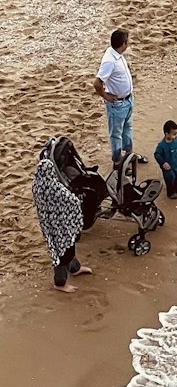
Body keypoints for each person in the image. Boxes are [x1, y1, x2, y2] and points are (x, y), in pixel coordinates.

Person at [32, 157, 91, 292]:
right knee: (63, 254)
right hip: (61, 225)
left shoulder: (36, 185)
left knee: (65, 248)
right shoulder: (55, 187)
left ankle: (75, 268)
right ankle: (60, 283)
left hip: (48, 224)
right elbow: (72, 201)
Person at [94, 27, 136, 164]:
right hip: (117, 105)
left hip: (127, 101)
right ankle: (117, 162)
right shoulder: (109, 61)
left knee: (127, 129)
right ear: (123, 44)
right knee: (116, 134)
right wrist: (105, 96)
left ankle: (129, 155)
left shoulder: (116, 54)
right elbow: (97, 83)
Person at [154, 121, 177, 197]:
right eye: (174, 134)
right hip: (167, 167)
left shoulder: (176, 140)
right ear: (167, 134)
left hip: (175, 164)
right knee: (170, 178)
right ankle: (170, 192)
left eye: (176, 134)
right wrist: (163, 163)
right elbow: (157, 154)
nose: (176, 136)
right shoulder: (161, 145)